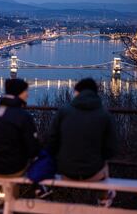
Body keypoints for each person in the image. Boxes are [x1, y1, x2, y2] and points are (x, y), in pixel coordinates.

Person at [45, 78, 118, 206]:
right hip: (93, 173)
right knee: (105, 165)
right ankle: (104, 197)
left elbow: (51, 142)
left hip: (65, 172)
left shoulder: (63, 112)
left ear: (77, 92)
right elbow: (111, 150)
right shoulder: (105, 114)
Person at [0, 78, 40, 177]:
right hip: (14, 169)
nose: (28, 95)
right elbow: (33, 149)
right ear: (20, 93)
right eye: (26, 91)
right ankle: (41, 189)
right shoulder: (23, 115)